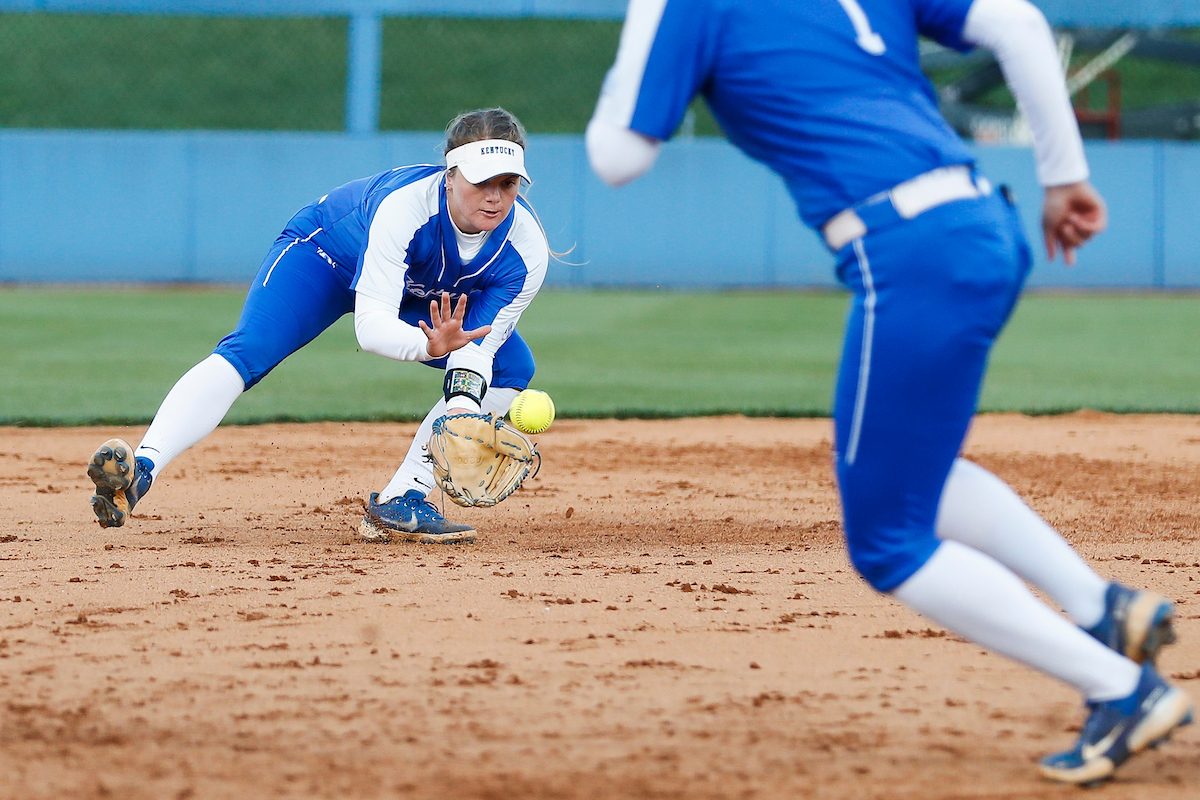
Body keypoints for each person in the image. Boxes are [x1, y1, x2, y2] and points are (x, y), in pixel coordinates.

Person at [586, 0, 1190, 785]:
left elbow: (616, 155)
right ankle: (1102, 607)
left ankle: (1123, 689)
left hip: (908, 251)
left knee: (887, 544)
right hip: (979, 220)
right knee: (914, 477)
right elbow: (1021, 25)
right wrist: (1065, 176)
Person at [88, 107, 548, 545]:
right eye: (481, 181)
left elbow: (477, 351)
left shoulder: (525, 250)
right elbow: (370, 328)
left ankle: (404, 499)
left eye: (508, 183)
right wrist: (429, 347)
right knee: (249, 350)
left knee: (510, 368)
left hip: (416, 293)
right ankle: (141, 470)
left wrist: (461, 413)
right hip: (325, 255)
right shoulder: (405, 208)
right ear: (449, 177)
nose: (494, 196)